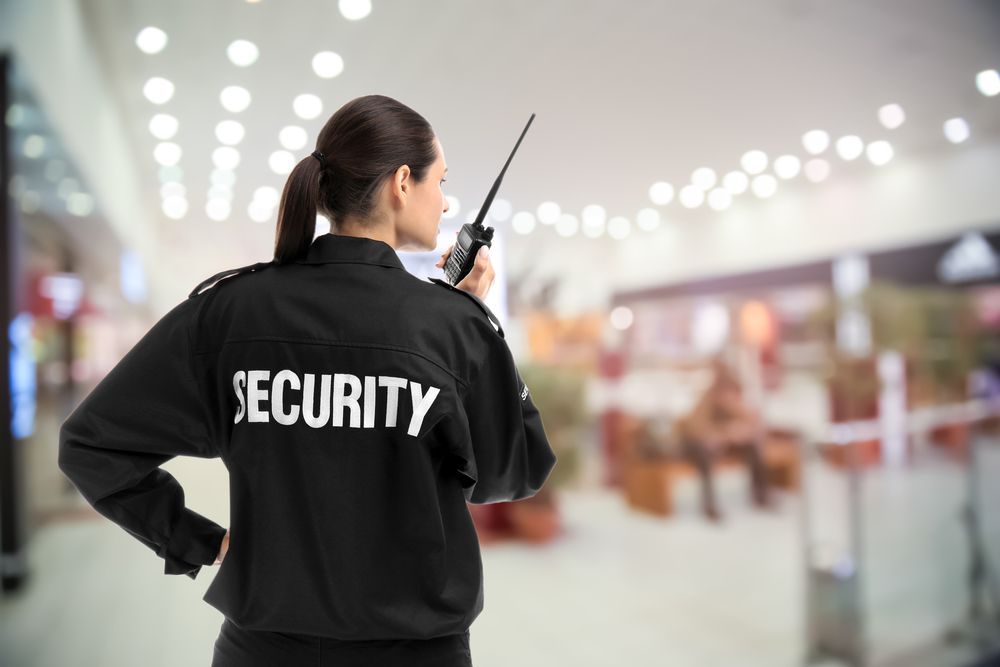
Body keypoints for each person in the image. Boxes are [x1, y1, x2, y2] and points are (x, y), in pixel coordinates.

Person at [57, 94, 558, 667]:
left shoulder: (228, 312)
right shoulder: (450, 327)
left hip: (261, 650)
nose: (445, 205)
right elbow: (515, 472)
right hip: (417, 653)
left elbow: (90, 445)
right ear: (401, 183)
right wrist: (479, 327)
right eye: (440, 182)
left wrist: (201, 541)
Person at [674, 358, 771, 522]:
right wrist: (723, 433)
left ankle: (761, 496)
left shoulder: (731, 402)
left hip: (718, 443)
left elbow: (753, 423)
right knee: (705, 455)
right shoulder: (706, 401)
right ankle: (709, 506)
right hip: (691, 444)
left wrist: (737, 426)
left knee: (752, 447)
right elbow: (697, 430)